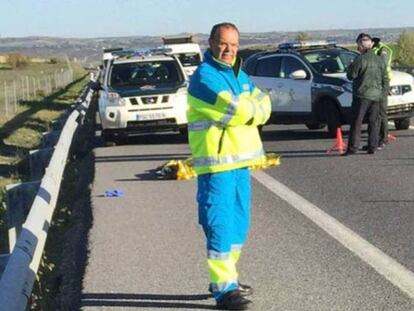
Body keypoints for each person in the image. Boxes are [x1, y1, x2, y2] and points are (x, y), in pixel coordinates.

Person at [187, 22, 271, 310]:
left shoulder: (239, 73)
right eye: (223, 44)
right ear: (211, 43)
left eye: (234, 45)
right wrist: (252, 110)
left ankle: (228, 279)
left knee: (238, 226)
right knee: (220, 226)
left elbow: (265, 104)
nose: (229, 50)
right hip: (217, 168)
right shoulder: (204, 78)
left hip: (240, 165)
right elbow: (232, 110)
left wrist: (252, 109)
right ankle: (224, 291)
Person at [343, 33, 388, 155]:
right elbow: (385, 79)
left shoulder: (360, 60)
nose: (358, 48)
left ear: (361, 45)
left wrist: (350, 66)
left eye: (358, 45)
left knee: (357, 122)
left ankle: (353, 147)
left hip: (362, 95)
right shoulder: (380, 60)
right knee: (374, 122)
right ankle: (372, 146)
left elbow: (351, 75)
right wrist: (383, 93)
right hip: (377, 96)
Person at [372, 37, 393, 148]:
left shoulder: (382, 50)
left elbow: (382, 66)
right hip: (376, 83)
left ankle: (383, 139)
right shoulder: (375, 50)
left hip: (382, 82)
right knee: (376, 112)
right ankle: (376, 139)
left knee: (381, 112)